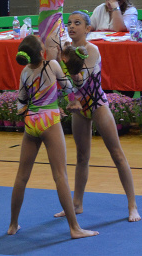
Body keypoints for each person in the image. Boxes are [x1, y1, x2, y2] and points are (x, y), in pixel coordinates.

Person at [7, 34, 98, 239]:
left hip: (32, 122)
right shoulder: (53, 66)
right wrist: (73, 101)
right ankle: (75, 228)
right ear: (42, 53)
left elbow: (21, 103)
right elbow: (68, 89)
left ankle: (13, 224)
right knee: (60, 176)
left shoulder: (24, 72)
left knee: (22, 177)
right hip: (50, 121)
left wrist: (31, 115)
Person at [54, 10, 141, 223]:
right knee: (82, 157)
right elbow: (66, 84)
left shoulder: (91, 50)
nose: (72, 26)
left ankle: (132, 205)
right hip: (79, 109)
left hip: (97, 105)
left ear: (88, 28)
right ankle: (77, 203)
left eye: (77, 23)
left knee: (117, 154)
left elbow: (81, 81)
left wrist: (64, 63)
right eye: (69, 23)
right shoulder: (65, 50)